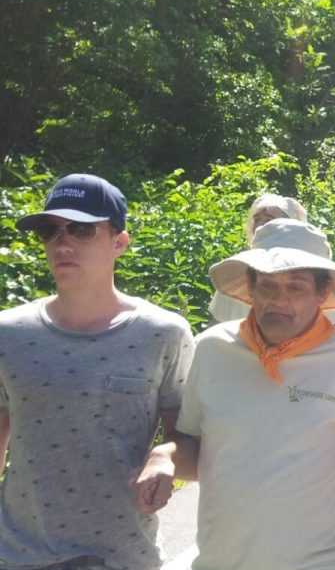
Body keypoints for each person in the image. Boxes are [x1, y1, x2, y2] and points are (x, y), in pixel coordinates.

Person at [132, 219, 335, 570]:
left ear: (322, 291)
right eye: (267, 285)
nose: (278, 300)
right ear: (251, 288)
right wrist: (164, 457)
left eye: (296, 287)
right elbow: (195, 446)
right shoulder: (212, 349)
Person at [0, 173, 195, 569]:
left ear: (119, 242)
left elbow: (189, 437)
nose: (62, 243)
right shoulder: (8, 333)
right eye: (49, 232)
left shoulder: (163, 333)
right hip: (19, 554)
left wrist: (163, 457)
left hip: (122, 556)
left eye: (81, 230)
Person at [208, 194, 317, 322]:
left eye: (268, 220)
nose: (260, 226)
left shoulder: (310, 272)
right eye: (257, 219)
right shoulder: (237, 270)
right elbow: (217, 323)